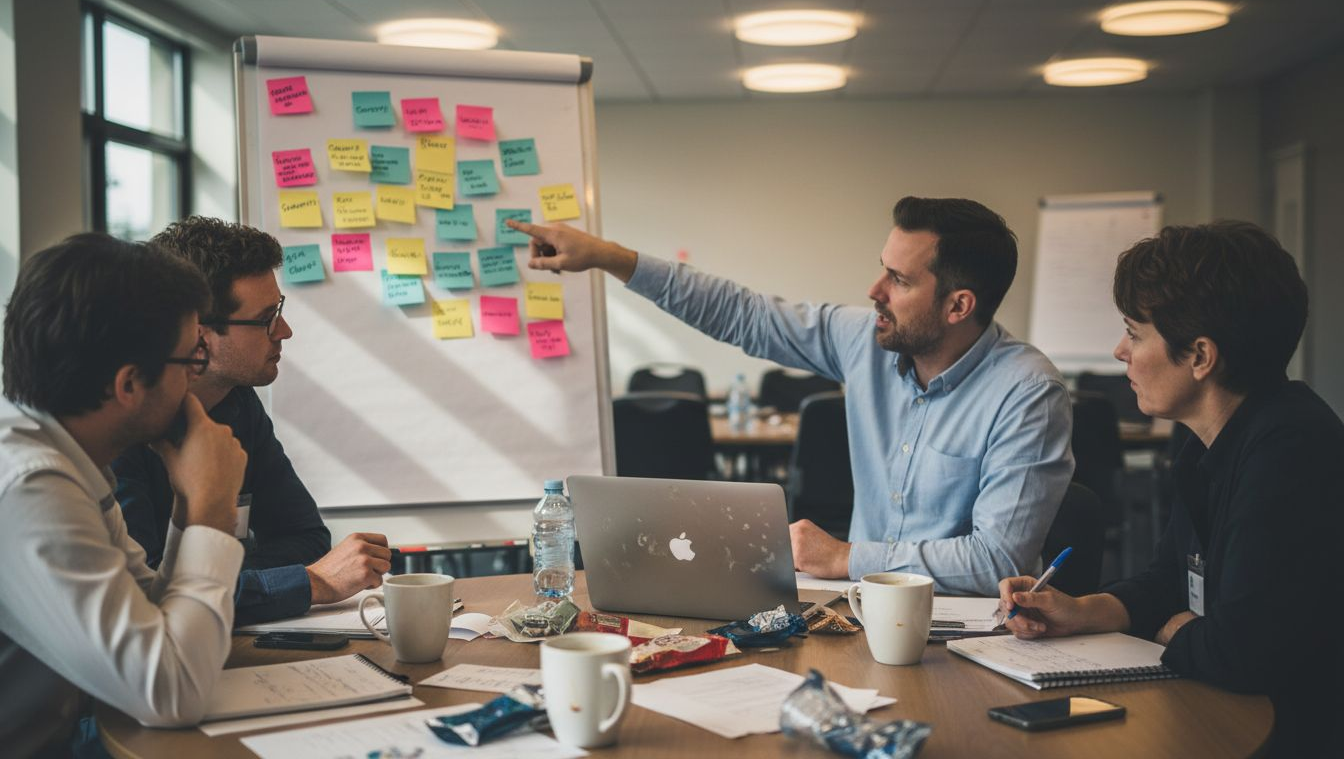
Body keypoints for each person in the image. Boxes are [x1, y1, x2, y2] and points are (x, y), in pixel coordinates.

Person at [508, 196, 1074, 594]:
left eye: (899, 281)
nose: (874, 291)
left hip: (967, 628)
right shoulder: (865, 341)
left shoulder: (1027, 392)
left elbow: (998, 559)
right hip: (863, 608)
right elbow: (743, 314)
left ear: (959, 306)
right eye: (883, 270)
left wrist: (848, 557)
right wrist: (609, 257)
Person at [996, 221, 1342, 756]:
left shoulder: (1291, 450)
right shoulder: (1209, 440)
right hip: (1223, 708)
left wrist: (1176, 625)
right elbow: (1170, 583)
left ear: (1200, 357)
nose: (1119, 351)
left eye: (1135, 333)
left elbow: (1240, 652)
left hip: (1279, 732)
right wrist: (1082, 609)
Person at [0, 234, 249, 755]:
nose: (194, 379)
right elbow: (171, 690)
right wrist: (211, 511)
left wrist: (187, 508)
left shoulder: (72, 460)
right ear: (130, 384)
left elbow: (153, 623)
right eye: (190, 360)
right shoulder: (31, 486)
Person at [113, 217, 391, 626]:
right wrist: (311, 583)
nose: (285, 331)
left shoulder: (238, 402)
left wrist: (226, 580)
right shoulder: (120, 427)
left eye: (279, 310)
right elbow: (152, 593)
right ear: (200, 335)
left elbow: (306, 539)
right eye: (265, 319)